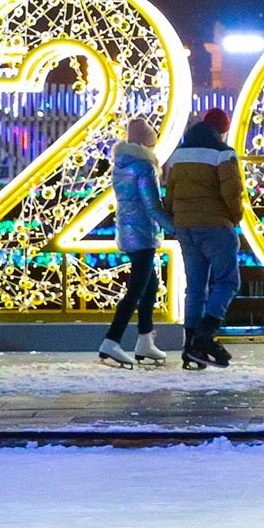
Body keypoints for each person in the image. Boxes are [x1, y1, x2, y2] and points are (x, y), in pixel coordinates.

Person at [163, 108, 243, 370]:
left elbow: (170, 192)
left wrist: (177, 219)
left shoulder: (179, 155)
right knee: (227, 281)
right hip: (215, 225)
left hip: (185, 227)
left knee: (195, 286)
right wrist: (235, 216)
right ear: (222, 130)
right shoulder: (223, 153)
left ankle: (190, 346)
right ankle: (205, 336)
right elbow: (232, 191)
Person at [99, 118, 171, 368]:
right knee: (136, 291)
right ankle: (112, 340)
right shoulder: (144, 167)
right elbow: (152, 205)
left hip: (127, 232)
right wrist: (175, 228)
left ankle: (145, 340)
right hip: (143, 234)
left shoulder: (120, 165)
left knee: (149, 287)